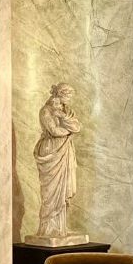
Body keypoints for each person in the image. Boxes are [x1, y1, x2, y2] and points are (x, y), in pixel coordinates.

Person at [33, 83, 82, 239]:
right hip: (51, 150)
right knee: (50, 192)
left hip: (65, 150)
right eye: (67, 96)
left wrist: (62, 117)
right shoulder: (46, 111)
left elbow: (77, 127)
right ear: (60, 94)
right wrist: (69, 131)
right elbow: (54, 131)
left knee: (63, 190)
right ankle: (48, 229)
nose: (69, 99)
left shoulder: (67, 111)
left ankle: (61, 229)